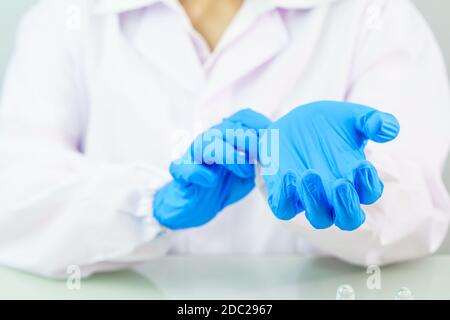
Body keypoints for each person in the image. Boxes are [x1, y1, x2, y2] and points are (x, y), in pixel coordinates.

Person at [0, 0, 449, 278]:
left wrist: (337, 176)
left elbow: (418, 210)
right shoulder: (64, 18)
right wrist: (149, 204)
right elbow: (13, 193)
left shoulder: (375, 16)